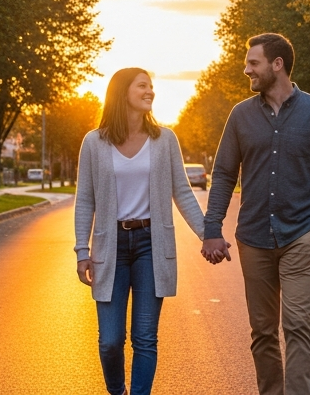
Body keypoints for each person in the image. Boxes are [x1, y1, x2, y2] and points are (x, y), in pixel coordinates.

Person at [201, 33, 310, 395]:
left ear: (277, 64)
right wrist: (211, 229)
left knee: (297, 325)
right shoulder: (240, 116)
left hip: (302, 235)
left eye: (253, 63)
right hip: (254, 238)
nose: (246, 69)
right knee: (263, 331)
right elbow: (223, 174)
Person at [75, 68, 206, 395]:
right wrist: (82, 251)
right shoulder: (94, 142)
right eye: (142, 86)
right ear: (123, 92)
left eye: (151, 86)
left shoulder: (165, 140)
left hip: (151, 245)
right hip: (110, 249)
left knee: (145, 338)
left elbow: (183, 192)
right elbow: (85, 200)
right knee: (110, 341)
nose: (150, 92)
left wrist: (209, 233)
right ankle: (117, 391)